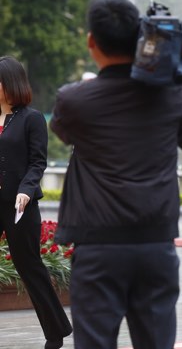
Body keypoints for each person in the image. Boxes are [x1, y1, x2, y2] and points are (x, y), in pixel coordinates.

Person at [50, 0, 182, 348]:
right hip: (156, 245)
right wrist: (174, 67)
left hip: (98, 248)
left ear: (91, 41)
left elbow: (63, 131)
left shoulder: (74, 100)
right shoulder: (172, 96)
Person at [0, 56, 73, 349]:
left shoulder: (31, 119)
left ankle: (56, 332)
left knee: (29, 267)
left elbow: (37, 162)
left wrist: (26, 190)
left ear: (10, 83)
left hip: (20, 206)